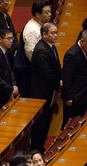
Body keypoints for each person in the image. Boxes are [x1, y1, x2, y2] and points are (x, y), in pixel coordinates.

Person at [29, 23, 61, 152]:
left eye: (56, 32)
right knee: (40, 122)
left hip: (48, 91)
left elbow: (56, 66)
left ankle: (40, 146)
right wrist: (58, 83)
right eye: (52, 33)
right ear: (44, 34)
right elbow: (47, 73)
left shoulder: (51, 47)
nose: (55, 35)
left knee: (46, 120)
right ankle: (36, 147)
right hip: (41, 92)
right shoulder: (41, 49)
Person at [62, 28, 87, 128]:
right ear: (82, 41)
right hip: (75, 96)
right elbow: (67, 78)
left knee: (82, 121)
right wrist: (68, 97)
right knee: (70, 124)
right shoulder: (72, 54)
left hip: (85, 92)